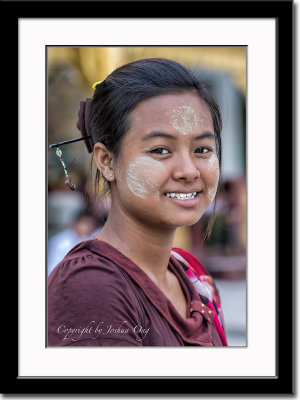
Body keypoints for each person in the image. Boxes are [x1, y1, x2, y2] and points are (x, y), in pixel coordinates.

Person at [48, 58, 227, 346]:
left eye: (202, 149)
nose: (189, 171)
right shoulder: (91, 287)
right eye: (160, 150)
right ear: (106, 161)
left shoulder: (195, 277)